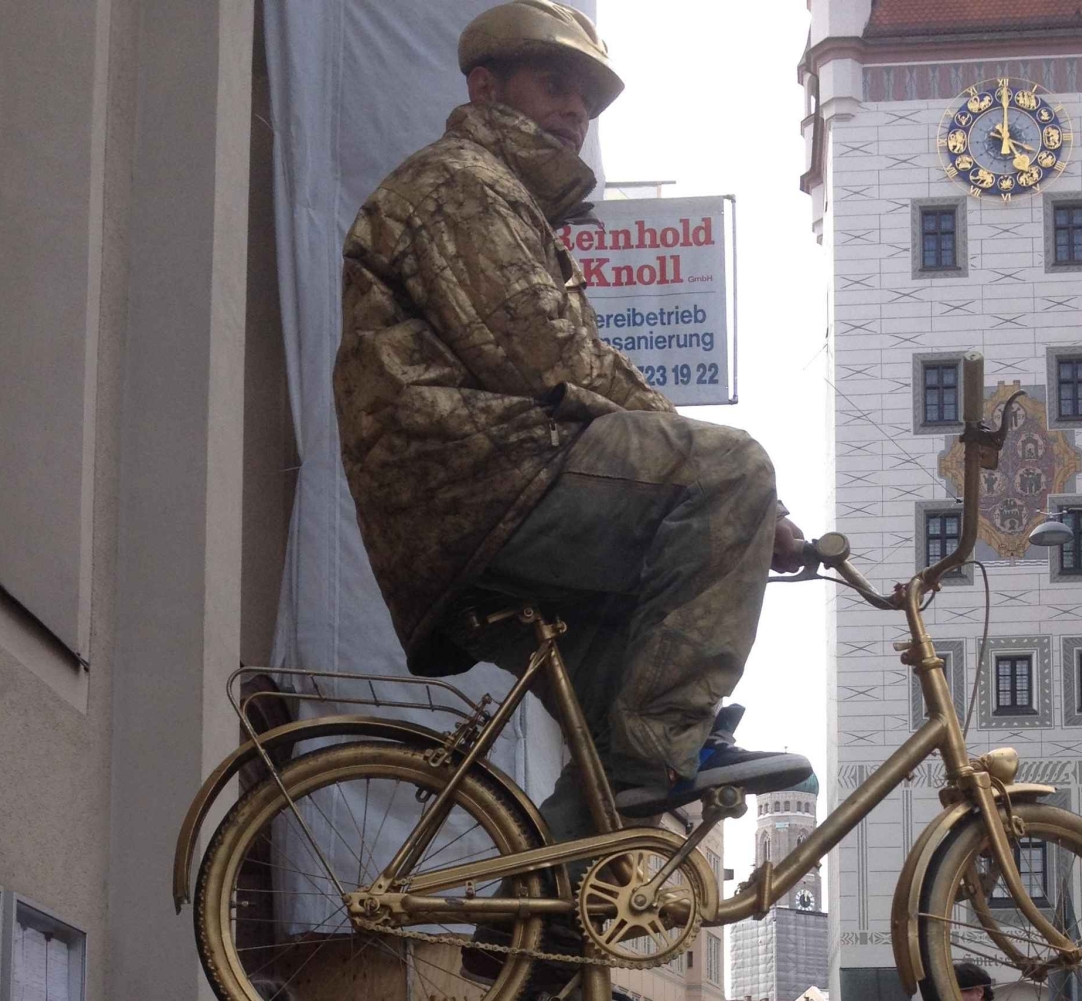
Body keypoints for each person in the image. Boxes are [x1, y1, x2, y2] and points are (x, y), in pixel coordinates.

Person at [335, 0, 811, 837]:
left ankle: (537, 949)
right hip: (481, 481)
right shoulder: (459, 185)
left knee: (604, 768)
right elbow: (549, 358)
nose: (575, 112)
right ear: (485, 88)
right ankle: (666, 748)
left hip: (467, 510)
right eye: (554, 85)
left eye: (586, 101)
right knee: (732, 469)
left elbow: (575, 362)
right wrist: (757, 507)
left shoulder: (508, 201)